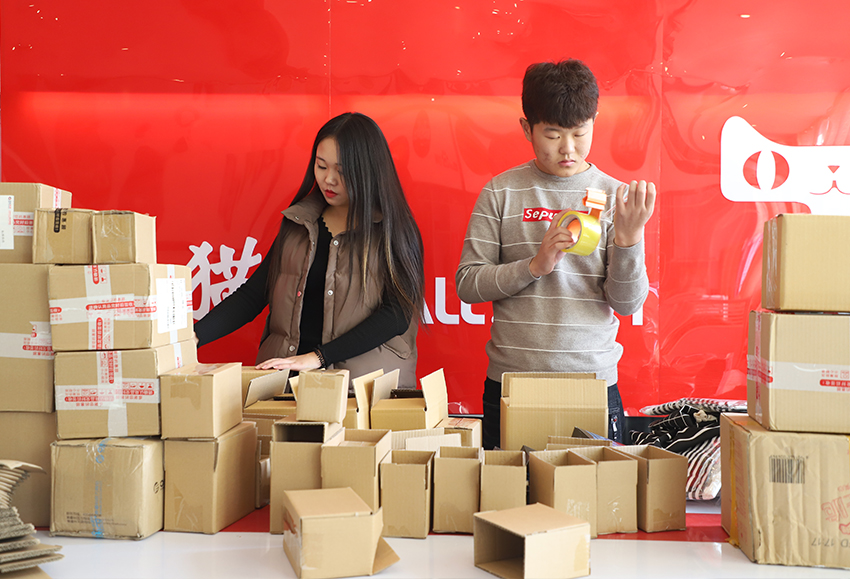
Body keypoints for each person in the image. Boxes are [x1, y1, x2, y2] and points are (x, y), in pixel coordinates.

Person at [455, 59, 656, 448]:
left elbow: (627, 303)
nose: (568, 149)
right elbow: (467, 283)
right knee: (510, 487)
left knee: (593, 487)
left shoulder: (615, 197)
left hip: (591, 381)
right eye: (552, 135)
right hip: (512, 381)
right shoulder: (501, 192)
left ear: (594, 122)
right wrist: (534, 266)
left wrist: (629, 239)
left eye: (580, 133)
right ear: (526, 128)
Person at [195, 112, 425, 387]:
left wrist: (318, 357)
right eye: (321, 166)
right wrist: (192, 337)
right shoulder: (299, 224)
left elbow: (397, 315)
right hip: (288, 383)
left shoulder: (392, 230)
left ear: (367, 170)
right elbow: (252, 296)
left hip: (361, 389)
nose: (329, 179)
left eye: (342, 171)